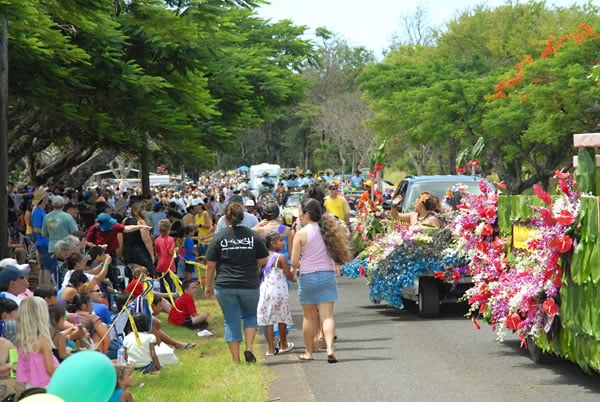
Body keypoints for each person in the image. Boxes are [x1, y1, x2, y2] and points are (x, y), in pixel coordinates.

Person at [205, 202, 269, 364]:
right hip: (249, 283)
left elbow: (210, 264)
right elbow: (263, 260)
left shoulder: (219, 237)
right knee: (249, 315)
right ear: (243, 217)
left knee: (231, 319)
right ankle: (248, 348)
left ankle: (235, 359)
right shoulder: (252, 236)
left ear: (226, 218)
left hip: (225, 285)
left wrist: (207, 286)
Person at [290, 198, 352, 363]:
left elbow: (295, 262)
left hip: (308, 276)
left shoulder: (301, 234)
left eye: (301, 214)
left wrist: (300, 263)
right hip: (327, 275)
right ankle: (330, 348)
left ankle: (309, 352)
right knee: (327, 316)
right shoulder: (328, 231)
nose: (300, 217)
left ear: (307, 214)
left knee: (309, 317)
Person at [257, 232, 295, 356]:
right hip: (278, 291)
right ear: (273, 243)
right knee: (281, 318)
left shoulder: (263, 257)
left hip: (265, 290)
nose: (283, 242)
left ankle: (270, 349)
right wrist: (294, 277)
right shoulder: (281, 257)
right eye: (280, 240)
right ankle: (283, 344)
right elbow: (288, 275)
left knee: (268, 319)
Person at [16, 297, 59, 389]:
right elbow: (50, 369)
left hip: (30, 385)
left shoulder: (23, 341)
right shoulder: (43, 340)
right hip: (47, 385)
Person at [122, 202, 155, 277]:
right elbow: (146, 240)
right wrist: (152, 255)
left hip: (127, 250)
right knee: (146, 274)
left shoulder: (125, 220)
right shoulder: (141, 222)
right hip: (139, 251)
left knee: (133, 275)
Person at [31, 189, 56, 287]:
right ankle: (47, 287)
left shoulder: (40, 210)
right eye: (46, 196)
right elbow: (36, 229)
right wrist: (48, 233)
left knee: (43, 266)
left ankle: (42, 286)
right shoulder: (38, 211)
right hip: (43, 242)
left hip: (43, 242)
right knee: (47, 267)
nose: (47, 198)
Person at [154, 219, 176, 293]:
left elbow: (157, 254)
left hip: (160, 265)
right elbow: (170, 252)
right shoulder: (170, 239)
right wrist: (177, 250)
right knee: (170, 285)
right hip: (169, 265)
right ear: (169, 229)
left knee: (162, 285)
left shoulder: (157, 240)